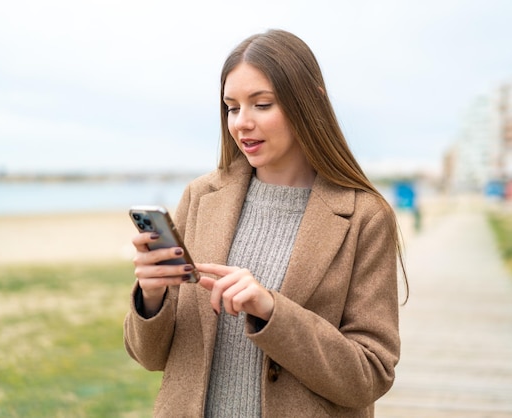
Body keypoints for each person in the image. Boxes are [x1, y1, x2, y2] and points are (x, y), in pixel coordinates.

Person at [124, 28, 408, 418]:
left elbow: (370, 374)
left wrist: (272, 309)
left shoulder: (364, 216)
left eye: (261, 104)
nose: (241, 122)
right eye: (232, 107)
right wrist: (150, 297)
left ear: (310, 102)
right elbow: (150, 357)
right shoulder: (200, 197)